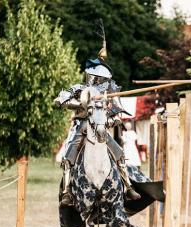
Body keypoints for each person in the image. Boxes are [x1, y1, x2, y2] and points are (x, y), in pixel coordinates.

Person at [54, 47, 141, 207]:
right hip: (82, 125)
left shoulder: (111, 92)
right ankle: (67, 191)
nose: (96, 81)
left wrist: (108, 121)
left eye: (100, 79)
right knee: (69, 153)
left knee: (118, 153)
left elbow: (117, 115)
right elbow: (59, 100)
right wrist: (81, 103)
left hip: (100, 127)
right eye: (95, 77)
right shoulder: (78, 89)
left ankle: (127, 187)